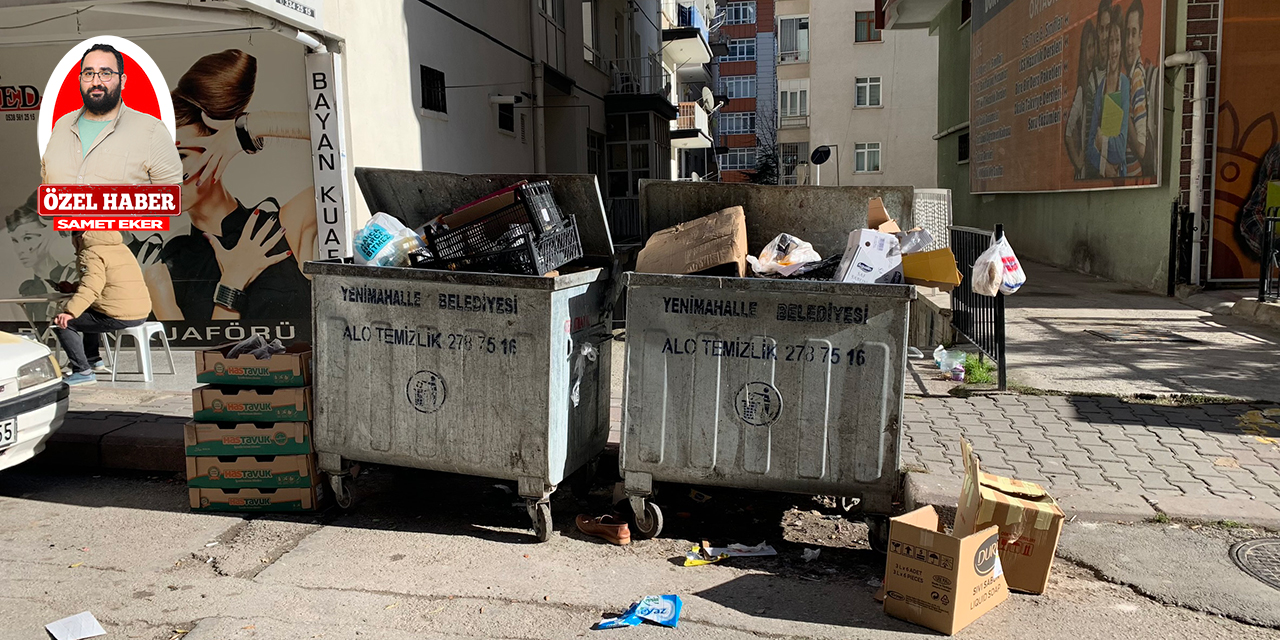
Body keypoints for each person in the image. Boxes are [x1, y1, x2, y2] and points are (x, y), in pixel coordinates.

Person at [143, 49, 316, 322]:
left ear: (217, 149)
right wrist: (232, 282)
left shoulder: (280, 228)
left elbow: (341, 139)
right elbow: (196, 359)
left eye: (179, 156)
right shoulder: (171, 261)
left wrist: (249, 129)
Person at [41, 43, 181, 186]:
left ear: (122, 81)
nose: (96, 82)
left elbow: (173, 201)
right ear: (80, 80)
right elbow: (46, 188)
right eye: (88, 73)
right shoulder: (61, 126)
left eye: (105, 73)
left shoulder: (152, 131)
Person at [52, 231, 152, 386]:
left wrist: (69, 312)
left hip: (118, 315)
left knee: (61, 323)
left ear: (80, 238)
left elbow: (91, 287)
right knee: (90, 311)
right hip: (141, 312)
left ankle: (83, 371)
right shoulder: (121, 248)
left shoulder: (90, 253)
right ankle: (93, 359)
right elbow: (109, 282)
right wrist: (73, 287)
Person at [6, 191, 77, 324]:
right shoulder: (26, 290)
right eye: (15, 241)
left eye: (28, 238)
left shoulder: (72, 274)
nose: (21, 249)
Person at [1087, 8, 1131, 179]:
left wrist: (1102, 142)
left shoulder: (1125, 84)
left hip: (1121, 177)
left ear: (1121, 44)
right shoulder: (1100, 90)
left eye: (1117, 41)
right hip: (1105, 177)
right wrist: (1104, 166)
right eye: (1110, 41)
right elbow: (1090, 148)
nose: (1113, 49)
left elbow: (1120, 150)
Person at [1065, 22, 1100, 179]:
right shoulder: (1082, 90)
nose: (1091, 53)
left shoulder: (1100, 81)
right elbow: (1068, 131)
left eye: (1093, 46)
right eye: (1087, 48)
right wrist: (1079, 162)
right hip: (1087, 173)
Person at [1122, 0, 1153, 178]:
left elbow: (1141, 149)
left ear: (1141, 37)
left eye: (1134, 34)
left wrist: (1123, 113)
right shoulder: (1130, 75)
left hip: (1133, 176)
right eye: (1127, 34)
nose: (1129, 42)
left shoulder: (1136, 79)